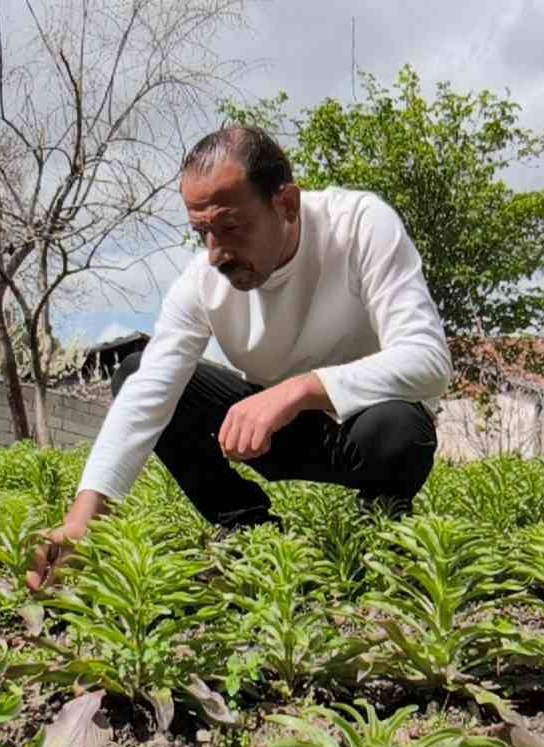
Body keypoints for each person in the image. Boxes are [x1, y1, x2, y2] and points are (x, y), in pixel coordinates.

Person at [26, 125, 451, 591]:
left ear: (286, 204)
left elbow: (427, 359)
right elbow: (148, 394)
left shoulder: (359, 225)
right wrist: (83, 520)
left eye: (231, 227)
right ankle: (247, 525)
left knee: (399, 427)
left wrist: (299, 390)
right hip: (268, 436)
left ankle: (380, 521)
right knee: (135, 371)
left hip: (363, 432)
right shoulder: (201, 283)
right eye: (202, 232)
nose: (216, 253)